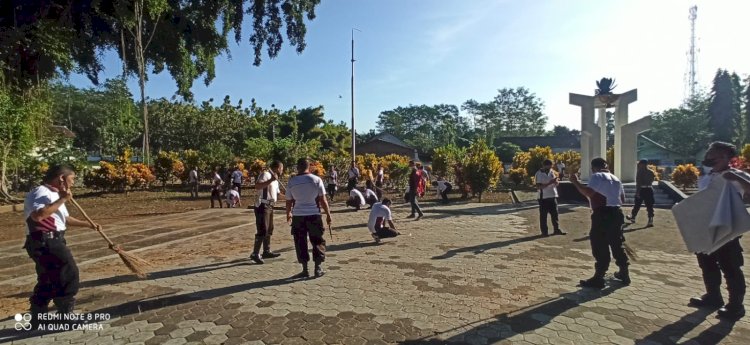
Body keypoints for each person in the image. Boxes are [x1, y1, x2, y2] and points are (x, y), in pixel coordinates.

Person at [23, 165, 101, 326]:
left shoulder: (55, 194)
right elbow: (38, 216)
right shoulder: (42, 192)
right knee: (68, 273)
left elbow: (64, 219)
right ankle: (65, 315)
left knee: (48, 278)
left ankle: (38, 316)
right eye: (72, 179)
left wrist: (88, 224)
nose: (73, 183)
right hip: (45, 241)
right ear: (61, 178)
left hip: (51, 240)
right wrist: (63, 199)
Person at [688, 142, 748, 319]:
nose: (709, 158)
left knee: (730, 266)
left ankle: (736, 306)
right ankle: (713, 296)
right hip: (705, 227)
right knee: (707, 263)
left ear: (728, 158)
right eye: (708, 154)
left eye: (714, 156)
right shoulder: (706, 176)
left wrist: (736, 178)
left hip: (726, 228)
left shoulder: (737, 175)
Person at [570, 157, 630, 289]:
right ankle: (624, 273)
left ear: (593, 168)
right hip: (617, 213)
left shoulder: (597, 176)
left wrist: (575, 182)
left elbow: (588, 193)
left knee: (599, 244)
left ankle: (599, 277)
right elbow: (622, 199)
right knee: (617, 243)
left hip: (602, 214)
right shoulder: (616, 178)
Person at [286, 158, 333, 278]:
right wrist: (328, 214)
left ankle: (305, 269)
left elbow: (289, 201)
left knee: (300, 241)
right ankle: (318, 268)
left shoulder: (292, 182)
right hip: (314, 215)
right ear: (309, 167)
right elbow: (323, 200)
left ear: (298, 167)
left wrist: (288, 213)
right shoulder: (316, 180)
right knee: (317, 240)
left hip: (298, 216)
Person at [249, 161, 284, 264]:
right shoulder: (266, 174)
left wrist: (290, 197)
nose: (282, 171)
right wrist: (271, 180)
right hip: (262, 205)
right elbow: (258, 186)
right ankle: (255, 253)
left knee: (269, 228)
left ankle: (266, 250)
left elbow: (278, 194)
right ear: (277, 168)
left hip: (271, 205)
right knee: (263, 229)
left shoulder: (276, 180)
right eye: (282, 168)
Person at [535, 160, 566, 237]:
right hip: (543, 197)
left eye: (550, 166)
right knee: (543, 216)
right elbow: (539, 186)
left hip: (552, 195)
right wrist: (550, 183)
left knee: (555, 215)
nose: (549, 168)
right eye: (548, 166)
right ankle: (544, 232)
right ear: (544, 165)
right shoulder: (539, 174)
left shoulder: (552, 172)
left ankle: (556, 229)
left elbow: (556, 183)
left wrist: (556, 182)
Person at [627, 160, 655, 227]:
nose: (638, 165)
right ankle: (650, 220)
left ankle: (633, 217)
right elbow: (652, 180)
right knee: (649, 205)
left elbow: (638, 183)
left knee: (637, 204)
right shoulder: (651, 172)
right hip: (649, 189)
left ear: (642, 164)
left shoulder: (640, 172)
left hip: (642, 190)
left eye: (639, 164)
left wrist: (637, 192)